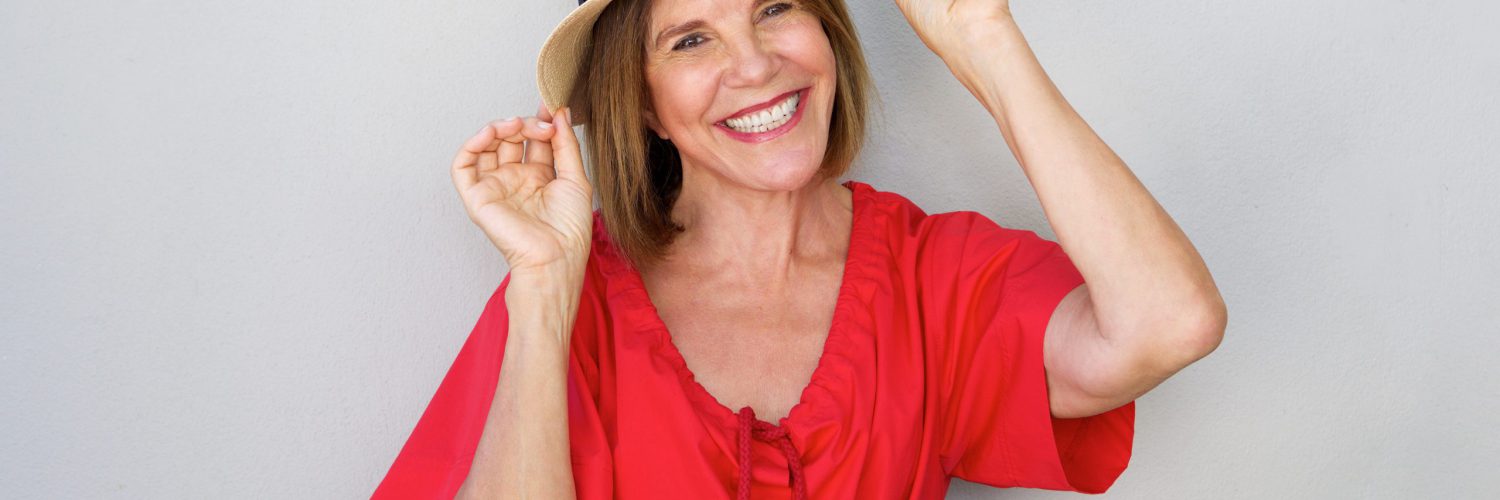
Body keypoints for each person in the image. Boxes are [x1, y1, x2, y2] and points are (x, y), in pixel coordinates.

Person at [375, 0, 1227, 498]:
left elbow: (1170, 323)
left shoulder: (932, 279)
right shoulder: (570, 297)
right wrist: (540, 286)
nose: (754, 65)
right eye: (691, 39)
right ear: (638, 101)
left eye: (776, 5)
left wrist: (984, 41)